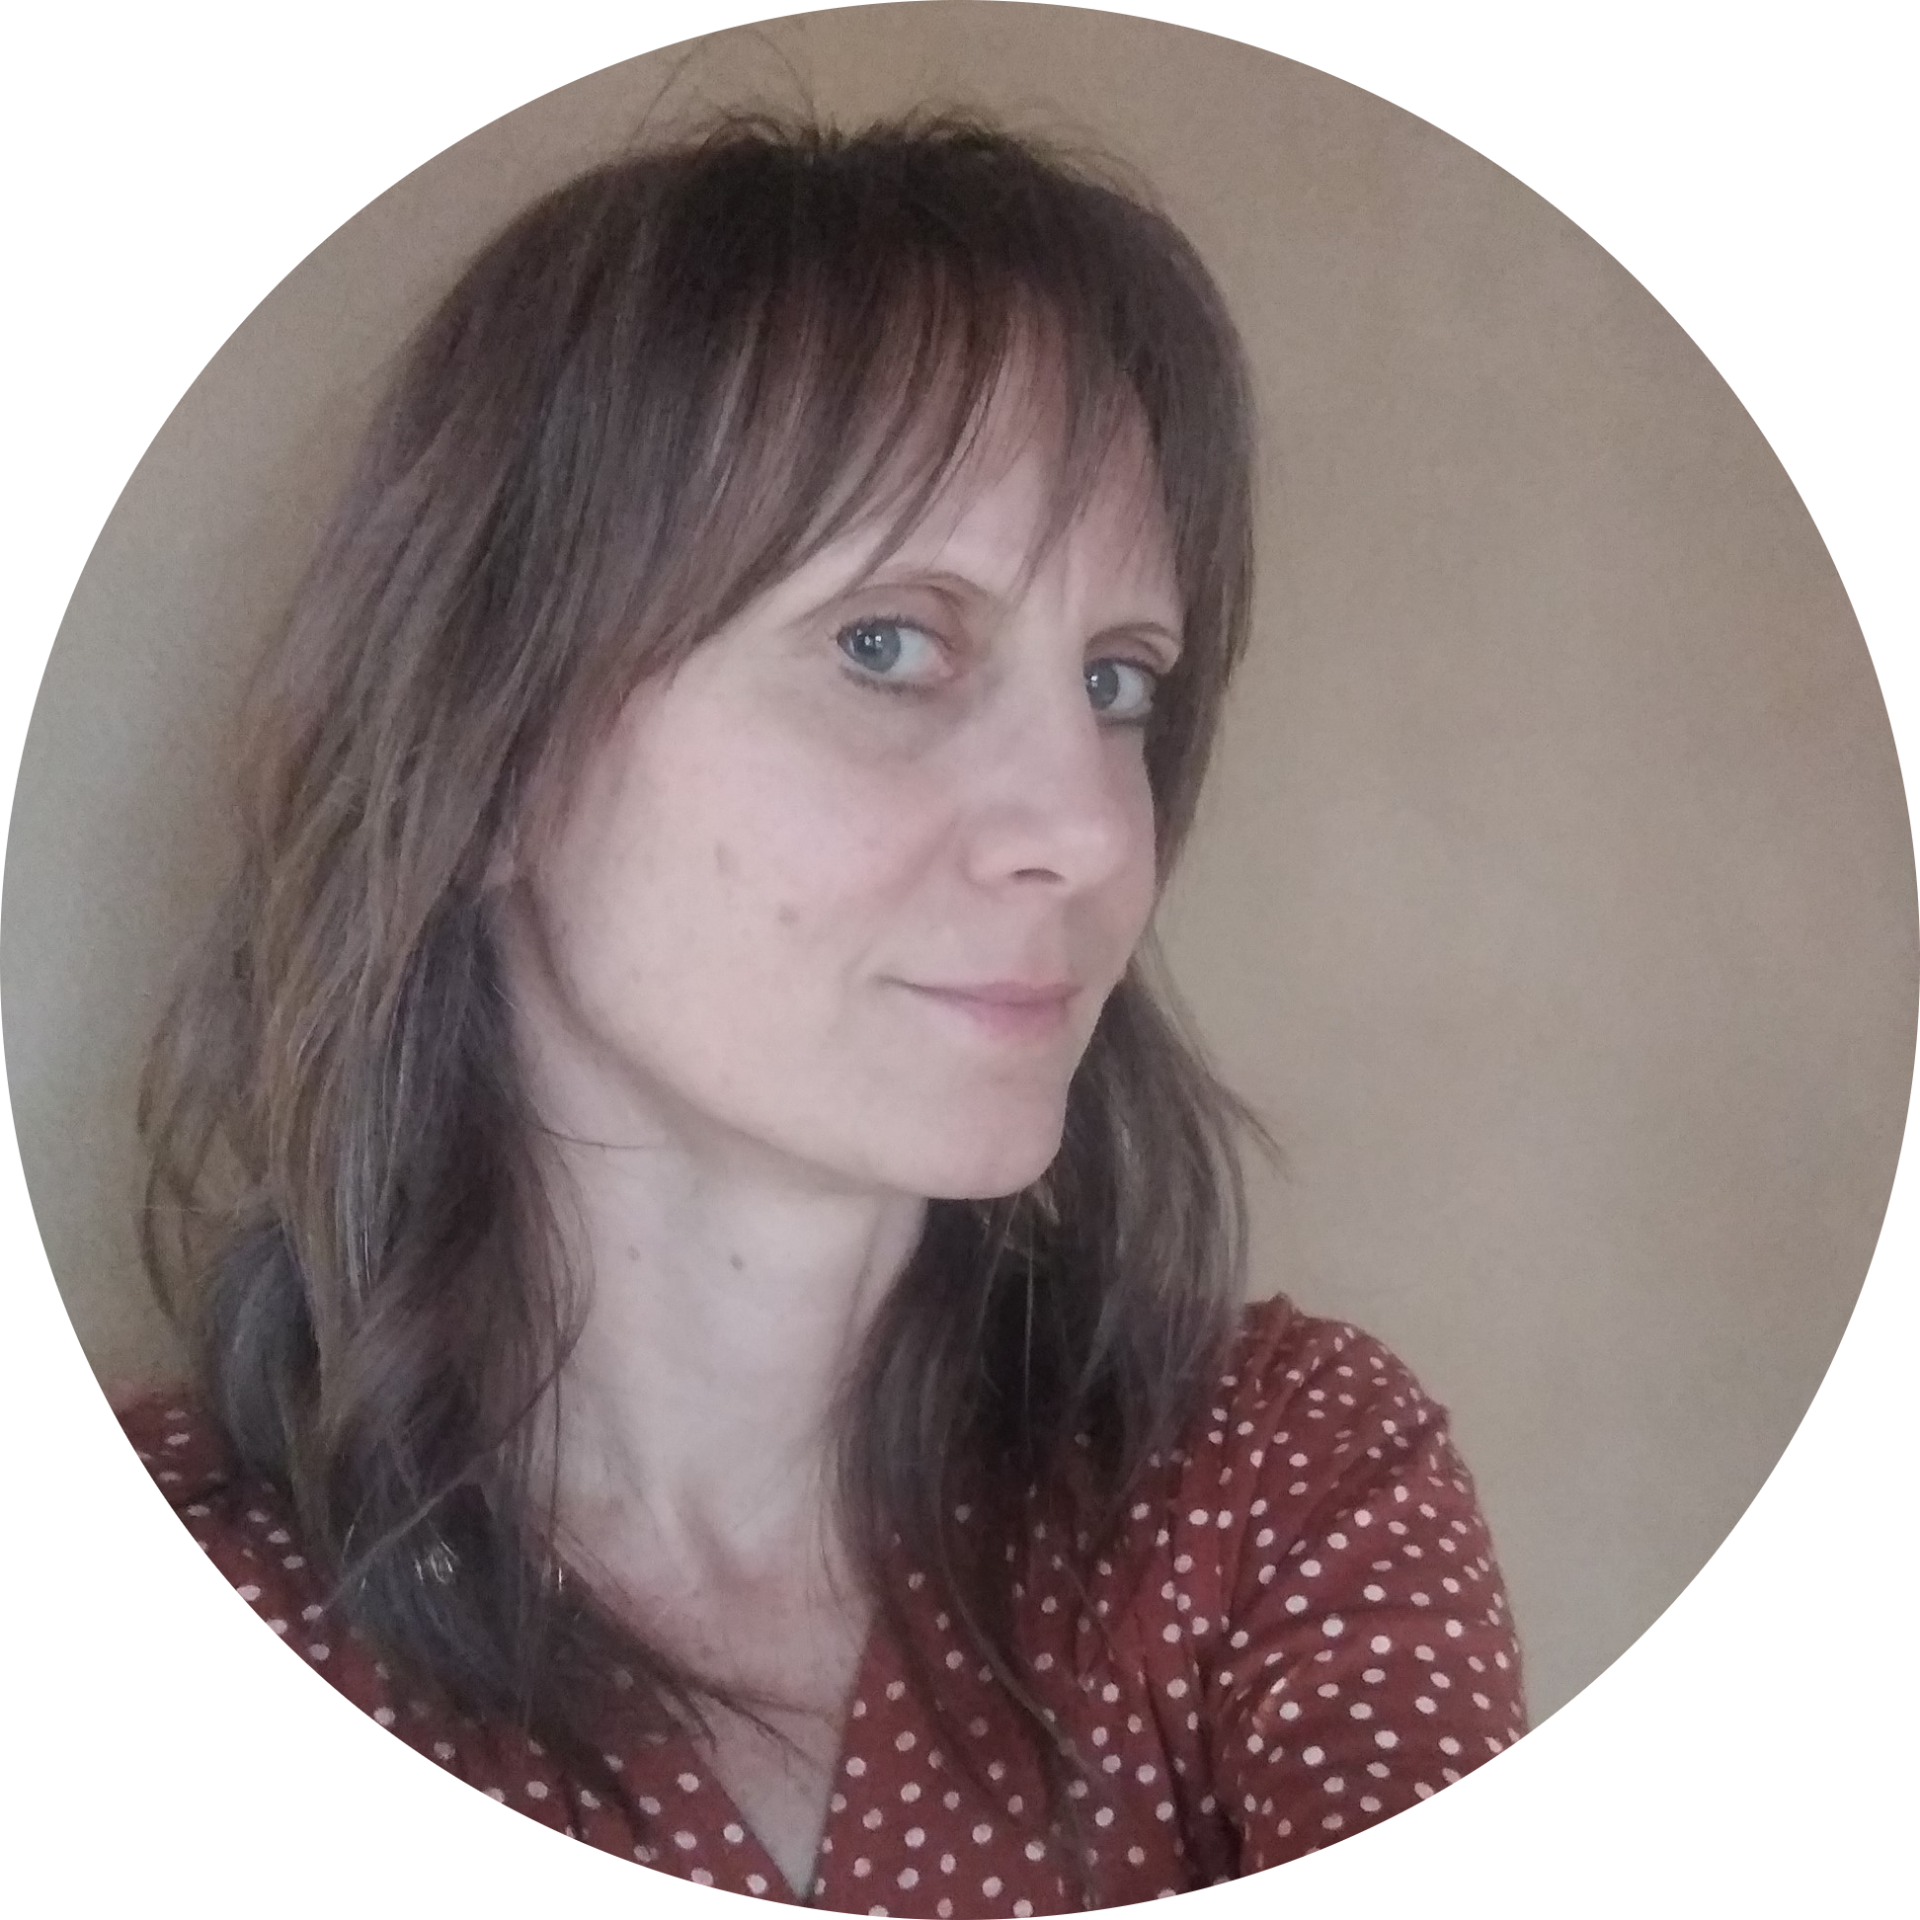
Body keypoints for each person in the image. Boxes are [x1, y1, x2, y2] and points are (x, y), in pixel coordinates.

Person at [115, 107, 1527, 1911]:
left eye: (1119, 682)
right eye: (889, 645)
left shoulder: (1275, 1477)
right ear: (488, 755)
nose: (1098, 831)